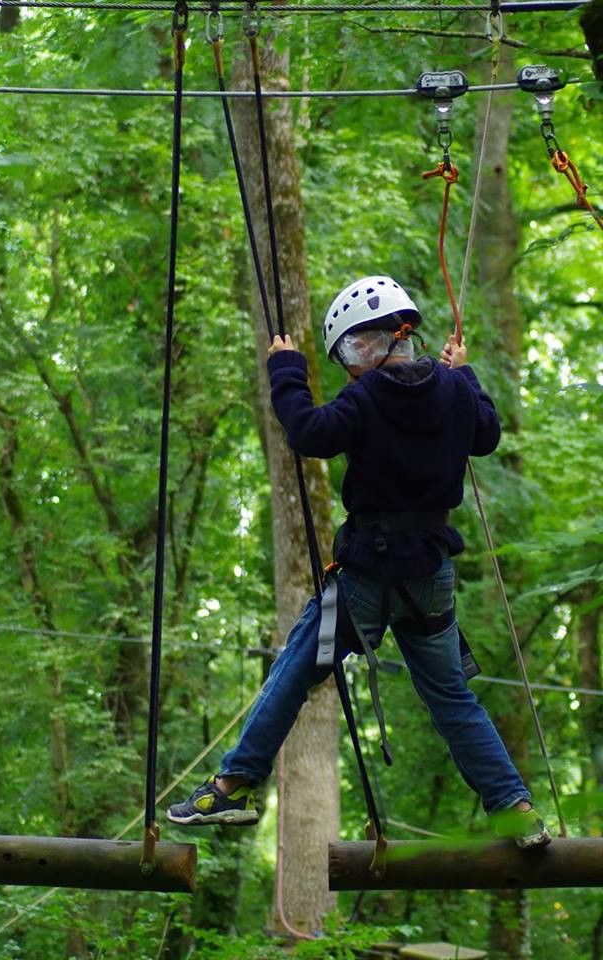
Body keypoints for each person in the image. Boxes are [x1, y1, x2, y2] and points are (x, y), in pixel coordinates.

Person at [166, 275, 551, 849]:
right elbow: (487, 434)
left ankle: (234, 785)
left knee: (296, 668)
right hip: (429, 576)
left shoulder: (366, 397)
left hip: (368, 577)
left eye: (350, 351)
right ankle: (514, 808)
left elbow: (308, 432)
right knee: (450, 696)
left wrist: (287, 370)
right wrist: (463, 374)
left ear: (369, 344)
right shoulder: (451, 389)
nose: (350, 366)